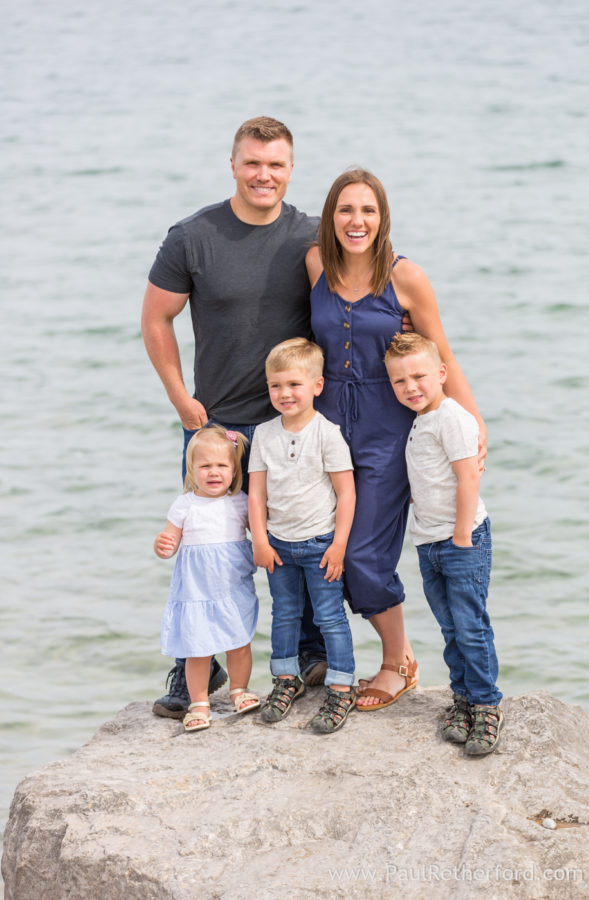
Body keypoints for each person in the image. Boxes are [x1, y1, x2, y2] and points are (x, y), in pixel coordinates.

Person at [142, 116, 328, 718]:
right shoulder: (193, 236)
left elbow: (353, 306)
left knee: (296, 543)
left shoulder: (311, 236)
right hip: (216, 427)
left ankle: (306, 657)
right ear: (233, 164)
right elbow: (155, 319)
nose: (263, 175)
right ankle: (193, 667)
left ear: (290, 169)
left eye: (275, 164)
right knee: (202, 550)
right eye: (253, 163)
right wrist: (179, 399)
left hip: (290, 426)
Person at [306, 169, 487, 711]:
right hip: (327, 427)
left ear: (382, 218)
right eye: (345, 210)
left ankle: (396, 661)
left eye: (367, 210)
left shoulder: (406, 277)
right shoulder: (315, 263)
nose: (356, 221)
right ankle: (334, 660)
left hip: (388, 432)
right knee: (319, 549)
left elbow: (441, 356)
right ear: (330, 216)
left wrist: (473, 425)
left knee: (363, 554)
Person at [384, 333, 502, 755]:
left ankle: (487, 705)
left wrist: (462, 534)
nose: (410, 387)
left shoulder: (452, 417)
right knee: (450, 627)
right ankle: (463, 698)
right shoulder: (420, 421)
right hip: (429, 541)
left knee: (471, 625)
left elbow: (469, 477)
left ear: (441, 374)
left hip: (461, 538)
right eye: (399, 381)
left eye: (419, 376)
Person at [248, 339, 357, 733]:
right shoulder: (263, 434)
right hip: (278, 545)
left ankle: (342, 686)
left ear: (317, 385)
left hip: (320, 544)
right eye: (275, 386)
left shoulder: (327, 433)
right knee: (285, 615)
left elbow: (346, 492)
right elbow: (256, 493)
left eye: (294, 384)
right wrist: (260, 539)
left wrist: (339, 545)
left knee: (329, 616)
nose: (284, 393)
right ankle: (284, 678)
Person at [154, 425, 261, 732]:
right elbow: (169, 539)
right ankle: (199, 703)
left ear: (234, 469)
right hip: (196, 592)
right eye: (205, 466)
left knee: (239, 643)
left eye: (221, 466)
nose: (213, 473)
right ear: (192, 469)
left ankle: (239, 690)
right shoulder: (185, 504)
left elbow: (259, 536)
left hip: (232, 588)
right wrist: (162, 545)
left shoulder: (240, 501)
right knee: (198, 649)